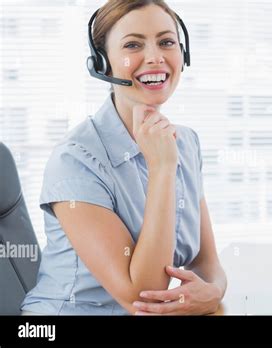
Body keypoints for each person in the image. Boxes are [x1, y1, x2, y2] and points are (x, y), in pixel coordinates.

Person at [21, 0, 226, 315]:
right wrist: (162, 168)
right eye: (133, 45)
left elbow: (207, 263)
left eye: (167, 42)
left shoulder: (184, 142)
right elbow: (142, 296)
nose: (156, 57)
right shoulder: (75, 160)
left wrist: (210, 293)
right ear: (103, 63)